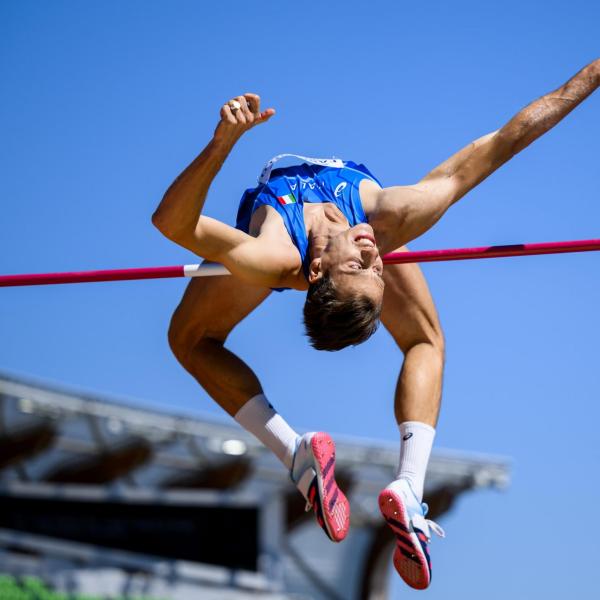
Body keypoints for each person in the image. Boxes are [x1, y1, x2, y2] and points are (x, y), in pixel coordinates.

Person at [152, 59, 599, 590]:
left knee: (188, 339)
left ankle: (299, 455)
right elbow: (500, 144)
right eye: (379, 269)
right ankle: (406, 487)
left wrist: (225, 141)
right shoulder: (385, 221)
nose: (373, 253)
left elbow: (171, 223)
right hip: (304, 241)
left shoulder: (276, 255)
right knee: (425, 339)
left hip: (280, 248)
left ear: (317, 269)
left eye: (361, 264)